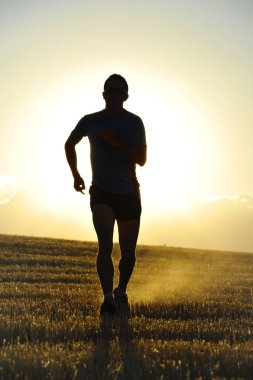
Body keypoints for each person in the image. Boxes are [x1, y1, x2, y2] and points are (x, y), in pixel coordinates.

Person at [65, 74, 147, 316]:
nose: (112, 94)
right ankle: (108, 298)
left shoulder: (134, 123)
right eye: (108, 90)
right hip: (101, 191)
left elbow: (141, 159)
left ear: (125, 96)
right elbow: (69, 143)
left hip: (128, 193)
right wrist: (76, 175)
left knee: (128, 253)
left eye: (117, 91)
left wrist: (115, 143)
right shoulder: (90, 121)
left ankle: (121, 289)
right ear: (103, 94)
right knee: (104, 246)